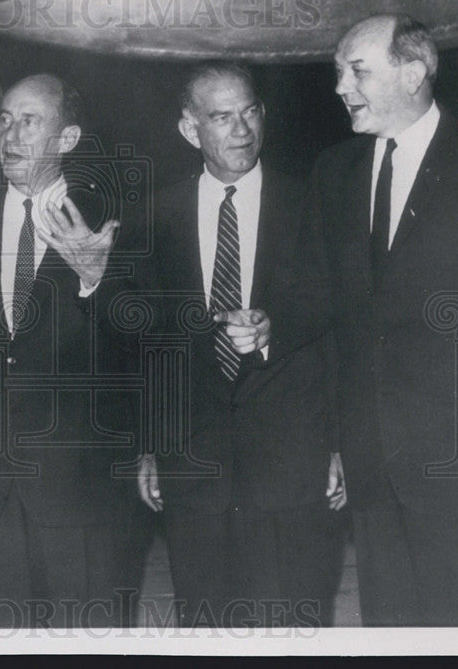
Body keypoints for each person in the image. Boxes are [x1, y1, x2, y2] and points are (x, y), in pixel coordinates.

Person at [315, 13, 458, 626]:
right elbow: (338, 321)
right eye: (339, 71)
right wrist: (335, 438)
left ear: (413, 73)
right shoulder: (334, 172)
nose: (340, 87)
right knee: (391, 627)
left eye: (357, 71)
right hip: (371, 462)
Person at [133, 61, 343, 628]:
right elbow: (152, 345)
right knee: (205, 630)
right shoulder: (155, 216)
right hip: (193, 471)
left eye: (250, 111)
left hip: (292, 468)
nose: (241, 130)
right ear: (188, 129)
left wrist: (339, 445)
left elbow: (342, 325)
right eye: (221, 117)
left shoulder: (316, 204)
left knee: (294, 627)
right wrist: (152, 445)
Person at [0, 74, 131, 629]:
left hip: (82, 492)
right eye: (4, 118)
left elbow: (148, 344)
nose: (10, 134)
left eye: (30, 120)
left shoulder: (117, 222)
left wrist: (97, 278)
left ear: (67, 139)